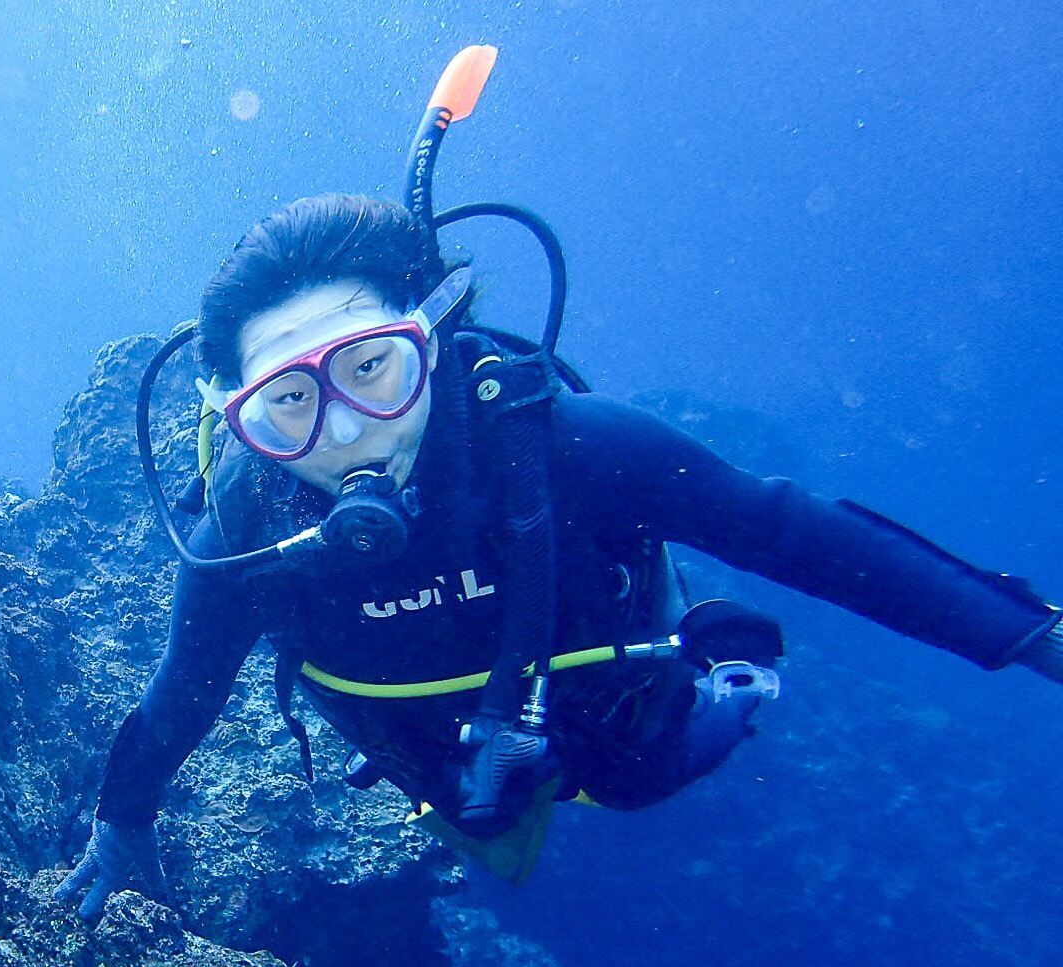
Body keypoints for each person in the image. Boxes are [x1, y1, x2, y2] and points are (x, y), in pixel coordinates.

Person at [54, 192, 1063, 921]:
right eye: (289, 400)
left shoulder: (565, 444)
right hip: (438, 760)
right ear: (240, 417)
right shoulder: (245, 532)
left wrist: (1023, 631)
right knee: (487, 829)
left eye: (373, 367)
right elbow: (178, 696)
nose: (348, 429)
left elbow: (792, 531)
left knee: (637, 777)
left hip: (607, 696)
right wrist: (121, 823)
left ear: (434, 341)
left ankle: (731, 673)